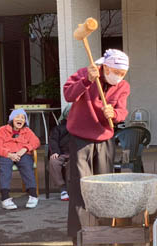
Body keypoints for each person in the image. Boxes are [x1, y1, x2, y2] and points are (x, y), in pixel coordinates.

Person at [63, 49, 130, 244]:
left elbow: (122, 111)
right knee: (80, 188)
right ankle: (80, 236)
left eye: (123, 74)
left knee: (104, 189)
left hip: (104, 139)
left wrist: (114, 114)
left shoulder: (123, 86)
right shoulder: (86, 72)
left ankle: (104, 234)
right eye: (116, 72)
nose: (119, 77)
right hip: (79, 139)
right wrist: (86, 81)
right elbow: (68, 94)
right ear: (106, 67)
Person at [0, 108, 40, 210]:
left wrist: (25, 149)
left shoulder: (27, 131)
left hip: (22, 154)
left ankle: (33, 195)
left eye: (23, 118)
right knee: (5, 167)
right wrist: (8, 154)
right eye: (17, 117)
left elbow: (36, 142)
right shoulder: (2, 130)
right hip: (6, 154)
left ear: (25, 121)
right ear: (12, 119)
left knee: (27, 165)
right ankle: (5, 198)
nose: (20, 119)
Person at [49, 104, 71, 201]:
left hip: (75, 154)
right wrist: (55, 152)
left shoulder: (80, 127)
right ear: (66, 115)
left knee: (73, 164)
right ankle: (63, 189)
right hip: (61, 153)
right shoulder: (58, 128)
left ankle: (71, 189)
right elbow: (53, 140)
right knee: (53, 162)